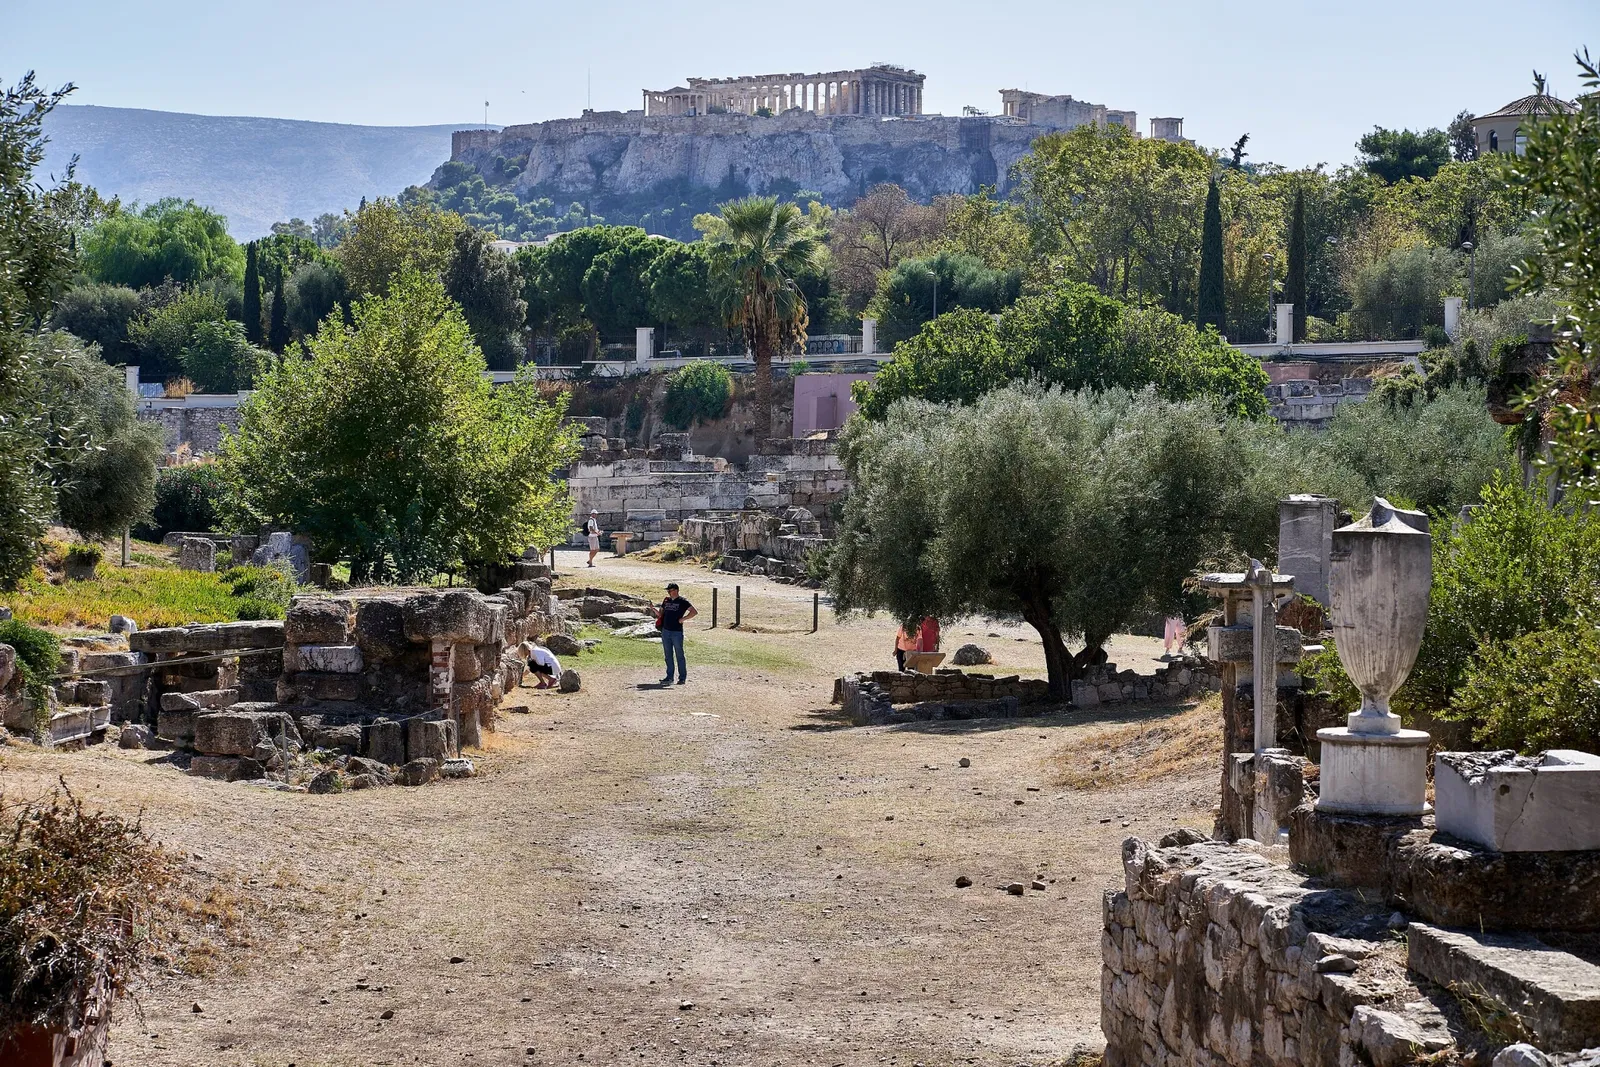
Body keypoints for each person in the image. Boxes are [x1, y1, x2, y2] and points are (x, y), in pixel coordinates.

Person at [655, 583, 697, 685]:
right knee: (668, 655)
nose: (669, 592)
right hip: (666, 631)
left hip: (676, 632)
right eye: (668, 591)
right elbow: (661, 614)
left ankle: (682, 678)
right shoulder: (666, 601)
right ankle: (669, 677)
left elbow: (694, 612)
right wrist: (653, 609)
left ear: (676, 590)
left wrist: (683, 619)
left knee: (679, 655)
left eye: (670, 590)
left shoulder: (682, 601)